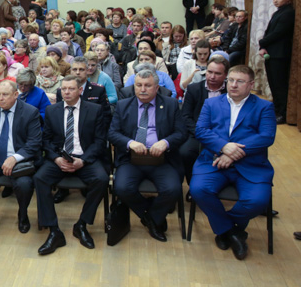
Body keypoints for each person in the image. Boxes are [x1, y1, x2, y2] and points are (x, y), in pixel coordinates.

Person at [190, 66, 276, 260]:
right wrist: (223, 146)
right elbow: (201, 131)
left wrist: (231, 154)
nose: (233, 85)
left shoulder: (264, 107)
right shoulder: (211, 103)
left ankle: (225, 230)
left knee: (257, 201)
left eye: (240, 81)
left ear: (251, 85)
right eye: (230, 80)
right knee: (199, 190)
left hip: (251, 164)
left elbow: (266, 137)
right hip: (214, 161)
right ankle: (234, 233)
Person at [34, 75, 110, 254]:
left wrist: (82, 161)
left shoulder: (94, 110)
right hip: (60, 158)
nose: (66, 92)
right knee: (39, 178)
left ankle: (82, 224)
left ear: (80, 90)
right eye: (64, 89)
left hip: (85, 158)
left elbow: (100, 141)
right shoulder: (52, 110)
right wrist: (56, 159)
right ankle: (54, 230)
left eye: (71, 89)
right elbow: (46, 140)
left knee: (101, 179)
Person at [108, 70, 187, 242]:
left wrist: (165, 142)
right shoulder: (123, 105)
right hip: (131, 159)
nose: (142, 89)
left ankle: (151, 218)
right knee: (121, 188)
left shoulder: (171, 104)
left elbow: (181, 133)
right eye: (139, 85)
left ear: (157, 88)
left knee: (173, 189)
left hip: (162, 160)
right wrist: (130, 143)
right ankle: (152, 218)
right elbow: (112, 133)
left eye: (147, 85)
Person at [0, 80, 42, 240]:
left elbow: (34, 142)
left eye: (5, 95)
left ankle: (23, 214)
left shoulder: (30, 112)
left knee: (24, 184)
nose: (1, 98)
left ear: (16, 95)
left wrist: (14, 158)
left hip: (19, 160)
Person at [180, 55, 228, 190]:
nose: (212, 76)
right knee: (185, 152)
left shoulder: (231, 91)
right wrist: (200, 133)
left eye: (217, 73)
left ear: (225, 75)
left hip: (223, 134)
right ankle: (193, 186)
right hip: (198, 133)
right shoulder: (194, 89)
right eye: (209, 72)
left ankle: (219, 184)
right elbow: (186, 116)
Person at [259, 0, 295, 124]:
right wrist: (263, 46)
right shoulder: (278, 12)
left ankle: (283, 113)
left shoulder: (289, 13)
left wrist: (262, 42)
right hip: (271, 53)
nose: (275, 1)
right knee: (273, 83)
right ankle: (277, 109)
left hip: (280, 54)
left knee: (280, 85)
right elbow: (268, 32)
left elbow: (278, 33)